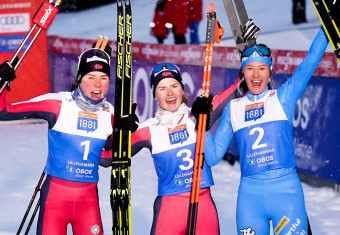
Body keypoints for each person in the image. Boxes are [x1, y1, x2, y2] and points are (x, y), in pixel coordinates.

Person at [192, 26, 329, 234]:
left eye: (262, 68)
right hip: (250, 198)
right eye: (250, 69)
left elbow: (310, 61)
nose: (256, 75)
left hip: (286, 193)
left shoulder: (283, 97)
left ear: (270, 70)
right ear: (243, 71)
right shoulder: (233, 109)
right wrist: (202, 123)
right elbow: (212, 158)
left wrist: (325, 28)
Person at [0, 40, 138, 235]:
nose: (97, 84)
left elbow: (106, 159)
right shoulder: (57, 104)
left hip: (88, 203)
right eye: (91, 77)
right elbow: (3, 112)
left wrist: (123, 136)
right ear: (80, 78)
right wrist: (1, 81)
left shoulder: (110, 114)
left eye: (103, 77)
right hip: (55, 201)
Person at [130, 63, 241, 234]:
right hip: (169, 211)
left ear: (182, 90)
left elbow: (239, 88)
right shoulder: (149, 129)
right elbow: (107, 156)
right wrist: (119, 131)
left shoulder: (199, 116)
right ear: (154, 95)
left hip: (204, 207)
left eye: (174, 86)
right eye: (162, 88)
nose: (170, 93)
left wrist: (247, 56)